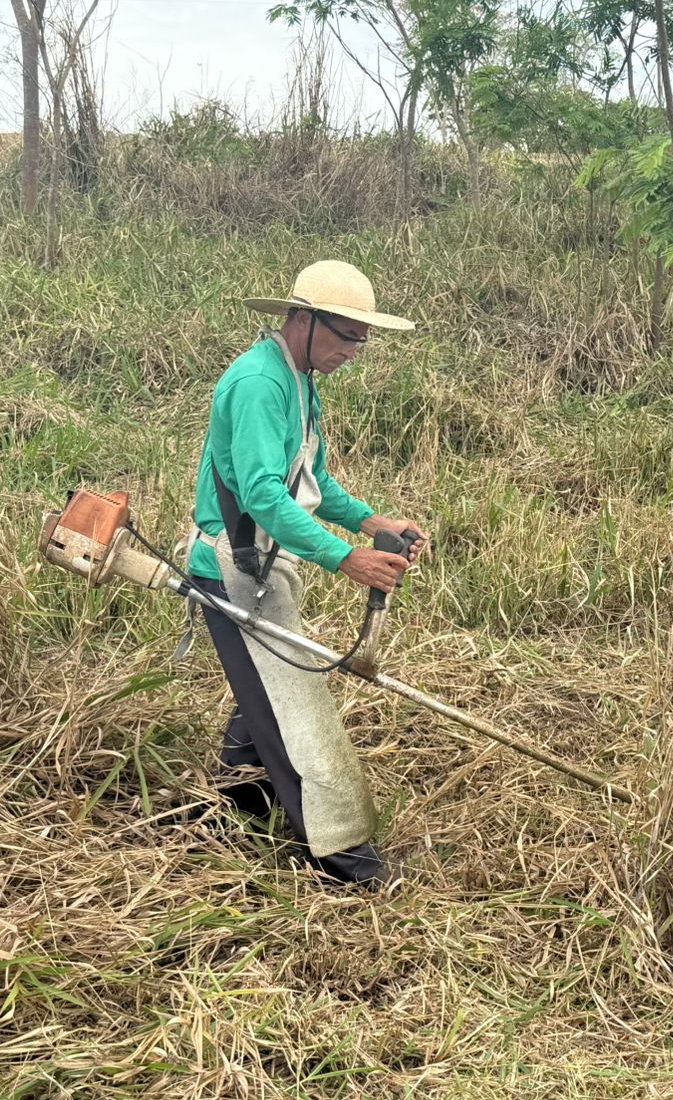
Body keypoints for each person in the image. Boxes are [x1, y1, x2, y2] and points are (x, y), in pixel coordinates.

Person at [185, 260, 427, 887]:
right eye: (346, 335)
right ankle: (347, 861)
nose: (353, 351)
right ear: (303, 318)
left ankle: (231, 812)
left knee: (265, 690)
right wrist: (347, 558)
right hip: (230, 567)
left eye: (361, 340)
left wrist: (372, 523)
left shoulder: (299, 380)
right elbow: (264, 496)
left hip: (265, 565)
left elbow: (308, 481)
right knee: (294, 710)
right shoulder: (259, 384)